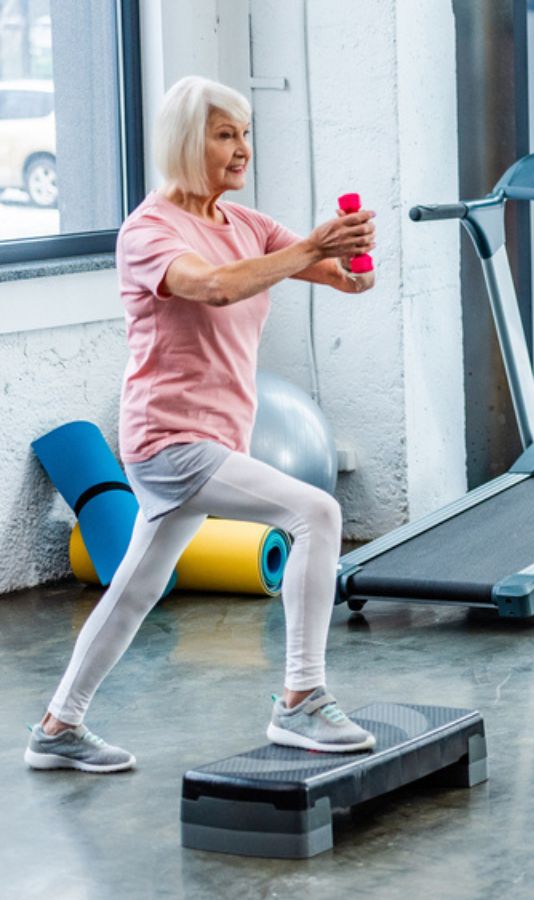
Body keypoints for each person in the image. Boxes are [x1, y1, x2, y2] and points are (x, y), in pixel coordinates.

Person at [25, 76, 379, 773]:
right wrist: (312, 248)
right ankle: (301, 699)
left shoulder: (244, 226)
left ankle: (57, 726)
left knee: (135, 589)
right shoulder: (149, 231)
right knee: (316, 513)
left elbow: (336, 274)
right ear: (189, 143)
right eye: (225, 134)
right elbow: (214, 286)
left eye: (245, 133)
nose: (242, 148)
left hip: (218, 436)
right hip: (168, 439)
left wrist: (352, 258)